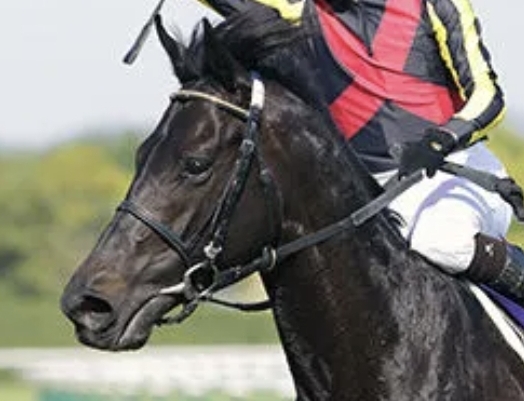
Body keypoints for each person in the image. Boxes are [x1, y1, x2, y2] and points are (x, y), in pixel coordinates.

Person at [194, 0, 524, 306]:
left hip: (453, 170)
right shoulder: (297, 13)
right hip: (367, 195)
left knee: (441, 241)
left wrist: (442, 139)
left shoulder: (435, 4)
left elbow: (488, 96)